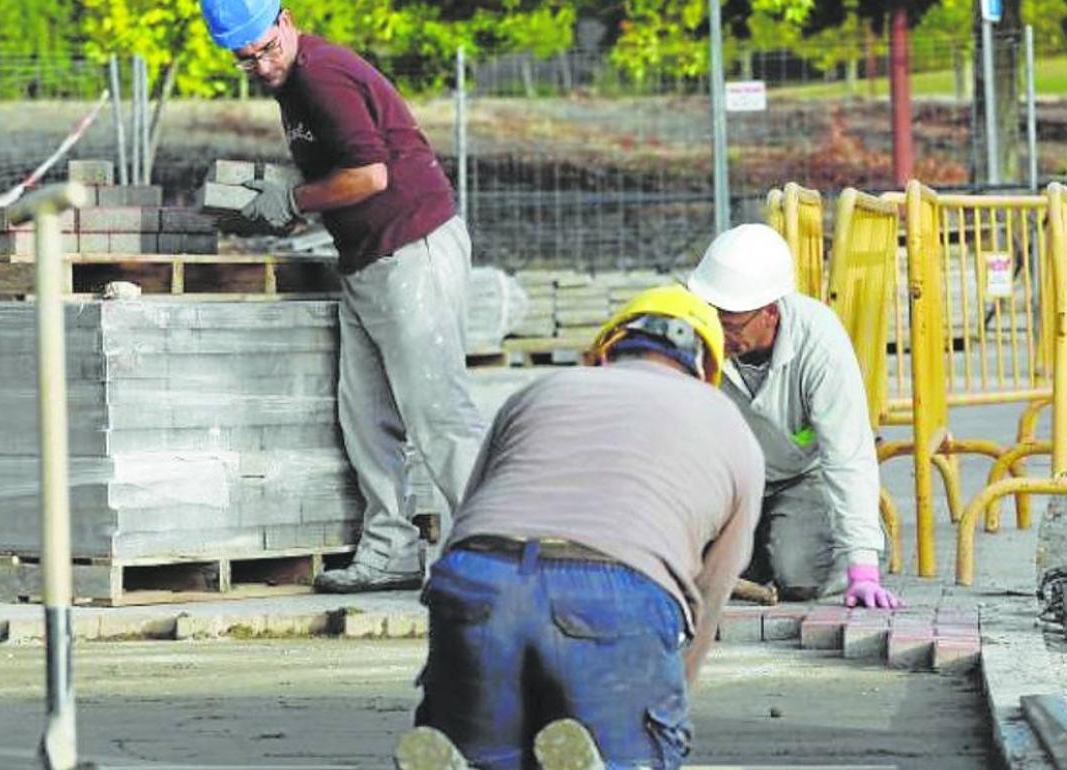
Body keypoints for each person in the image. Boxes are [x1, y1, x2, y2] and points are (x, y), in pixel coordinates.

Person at [396, 285, 765, 770]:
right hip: (615, 591)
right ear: (705, 370)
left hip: (478, 578)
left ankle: (472, 757)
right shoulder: (728, 425)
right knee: (648, 750)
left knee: (489, 750)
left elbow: (468, 514)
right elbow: (709, 596)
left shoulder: (540, 391)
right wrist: (666, 698)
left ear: (604, 351)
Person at [200, 0, 487, 593]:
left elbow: (371, 176)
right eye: (245, 59)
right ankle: (391, 552)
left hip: (412, 249)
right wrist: (288, 192)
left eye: (266, 48)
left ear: (284, 21)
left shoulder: (322, 75)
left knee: (438, 416)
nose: (260, 65)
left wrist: (295, 199)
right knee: (366, 418)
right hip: (367, 261)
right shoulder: (293, 83)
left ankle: (495, 554)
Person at [686, 223, 901, 609]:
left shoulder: (819, 340)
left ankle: (844, 536)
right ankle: (758, 544)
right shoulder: (697, 333)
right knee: (700, 565)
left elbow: (847, 453)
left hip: (801, 476)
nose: (718, 331)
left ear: (769, 312)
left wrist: (863, 565)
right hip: (731, 482)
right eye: (712, 316)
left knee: (799, 575)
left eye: (731, 324)